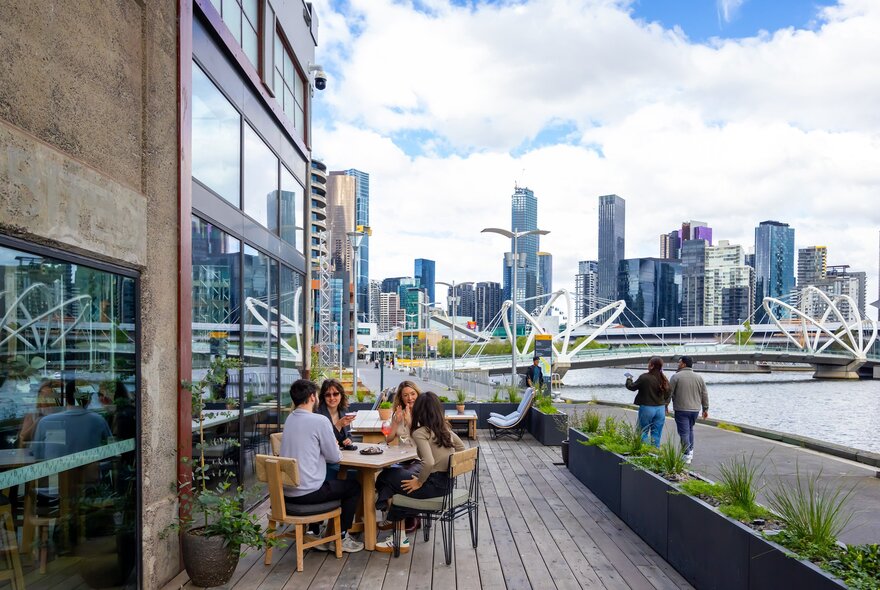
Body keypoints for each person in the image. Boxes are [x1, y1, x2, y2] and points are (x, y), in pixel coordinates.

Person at [374, 391, 465, 553]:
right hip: (447, 484)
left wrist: (419, 482)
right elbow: (461, 449)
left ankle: (396, 533)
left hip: (431, 486)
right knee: (395, 480)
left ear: (419, 411)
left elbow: (428, 462)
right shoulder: (443, 429)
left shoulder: (420, 432)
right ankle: (397, 532)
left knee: (386, 476)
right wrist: (447, 466)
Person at [280, 379, 364, 553]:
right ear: (312, 397)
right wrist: (335, 445)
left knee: (338, 481)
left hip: (286, 493)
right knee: (354, 486)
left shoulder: (289, 419)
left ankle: (318, 531)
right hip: (308, 493)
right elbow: (334, 457)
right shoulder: (319, 421)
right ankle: (340, 537)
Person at [669, 356, 709, 464]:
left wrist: (665, 405)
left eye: (679, 363)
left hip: (681, 409)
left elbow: (669, 393)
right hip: (695, 409)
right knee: (690, 429)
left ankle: (686, 455)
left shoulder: (676, 377)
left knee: (683, 432)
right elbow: (704, 394)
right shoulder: (699, 377)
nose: (678, 364)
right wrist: (705, 409)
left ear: (684, 364)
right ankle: (690, 451)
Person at [624, 357, 670, 447]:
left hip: (647, 408)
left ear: (652, 366)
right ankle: (654, 453)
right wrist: (665, 404)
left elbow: (632, 387)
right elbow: (669, 392)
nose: (648, 365)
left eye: (649, 364)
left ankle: (644, 452)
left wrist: (629, 378)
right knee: (656, 434)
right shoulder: (664, 379)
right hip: (660, 409)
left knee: (642, 431)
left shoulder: (644, 377)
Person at [385, 380, 420, 446]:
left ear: (418, 394)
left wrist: (409, 422)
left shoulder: (425, 413)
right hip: (402, 454)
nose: (410, 398)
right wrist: (395, 422)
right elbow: (388, 439)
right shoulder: (398, 413)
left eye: (413, 394)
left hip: (420, 454)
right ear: (401, 398)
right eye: (405, 395)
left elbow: (424, 439)